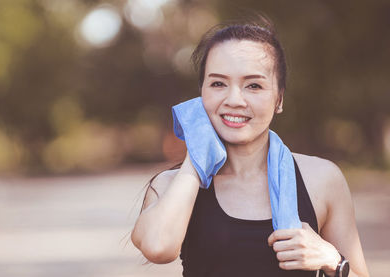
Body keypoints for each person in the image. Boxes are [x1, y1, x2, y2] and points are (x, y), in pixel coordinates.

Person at [131, 19, 369, 277]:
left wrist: (332, 260)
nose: (234, 100)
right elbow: (157, 247)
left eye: (253, 85)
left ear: (279, 99)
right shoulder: (172, 185)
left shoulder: (322, 179)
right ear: (201, 95)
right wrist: (196, 155)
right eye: (218, 84)